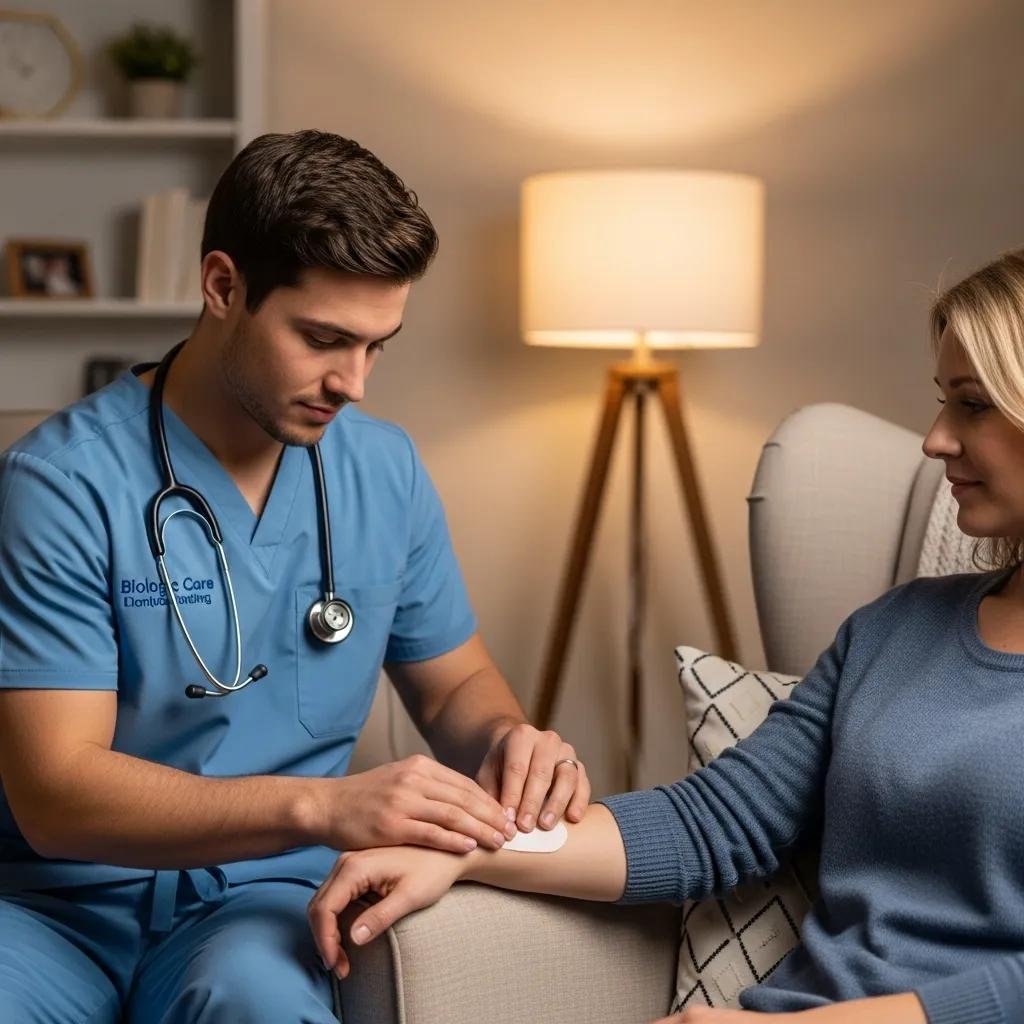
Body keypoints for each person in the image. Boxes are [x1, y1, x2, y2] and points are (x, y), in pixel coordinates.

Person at [309, 248, 1024, 1024]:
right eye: (943, 402)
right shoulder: (896, 630)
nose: (935, 439)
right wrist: (465, 850)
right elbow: (712, 823)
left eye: (974, 405)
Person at [0, 130, 588, 1023]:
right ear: (224, 287)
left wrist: (508, 739)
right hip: (55, 909)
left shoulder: (383, 472)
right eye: (322, 339)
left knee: (260, 1002)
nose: (353, 383)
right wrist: (320, 806)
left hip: (257, 903)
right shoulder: (62, 484)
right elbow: (57, 794)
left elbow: (456, 683)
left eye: (377, 346)